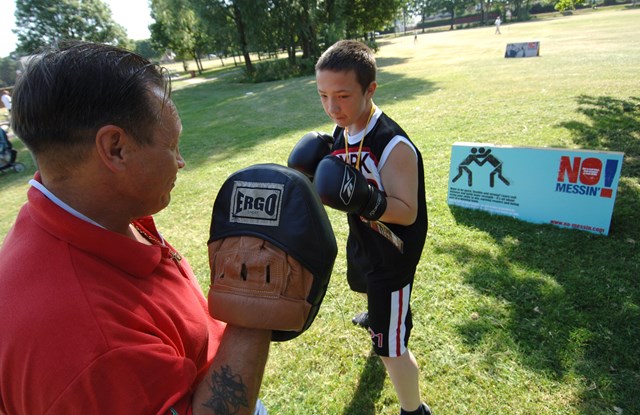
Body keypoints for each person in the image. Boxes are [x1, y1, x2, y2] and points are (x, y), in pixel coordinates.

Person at [0, 41, 272, 415]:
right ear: (115, 149)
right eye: (172, 144)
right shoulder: (98, 347)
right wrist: (256, 304)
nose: (181, 162)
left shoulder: (85, 214)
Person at [288, 40, 431, 415]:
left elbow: (408, 212)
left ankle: (414, 409)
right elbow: (337, 188)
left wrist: (366, 199)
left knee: (390, 348)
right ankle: (382, 315)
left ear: (370, 90)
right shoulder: (343, 131)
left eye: (343, 96)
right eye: (323, 96)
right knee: (362, 280)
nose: (332, 108)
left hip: (394, 252)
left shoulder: (393, 145)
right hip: (366, 239)